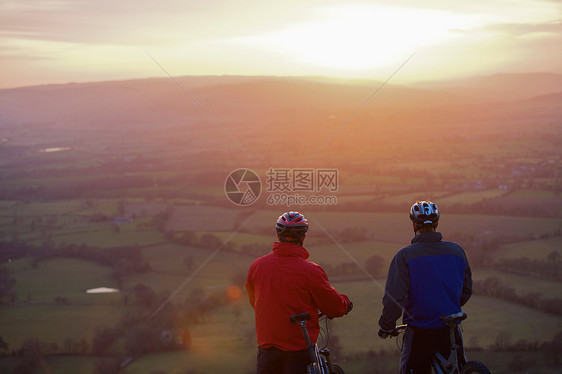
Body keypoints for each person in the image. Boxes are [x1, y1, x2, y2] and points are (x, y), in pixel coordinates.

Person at [246, 211, 352, 374]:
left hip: (267, 347)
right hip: (299, 348)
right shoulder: (311, 271)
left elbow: (254, 300)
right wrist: (346, 304)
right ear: (303, 237)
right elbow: (334, 307)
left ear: (277, 234)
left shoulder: (257, 266)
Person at [378, 201, 472, 374]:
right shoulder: (456, 251)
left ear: (413, 224)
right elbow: (466, 289)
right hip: (450, 328)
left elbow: (395, 297)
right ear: (437, 223)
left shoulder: (404, 256)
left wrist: (386, 324)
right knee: (459, 369)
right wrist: (446, 304)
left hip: (420, 331)